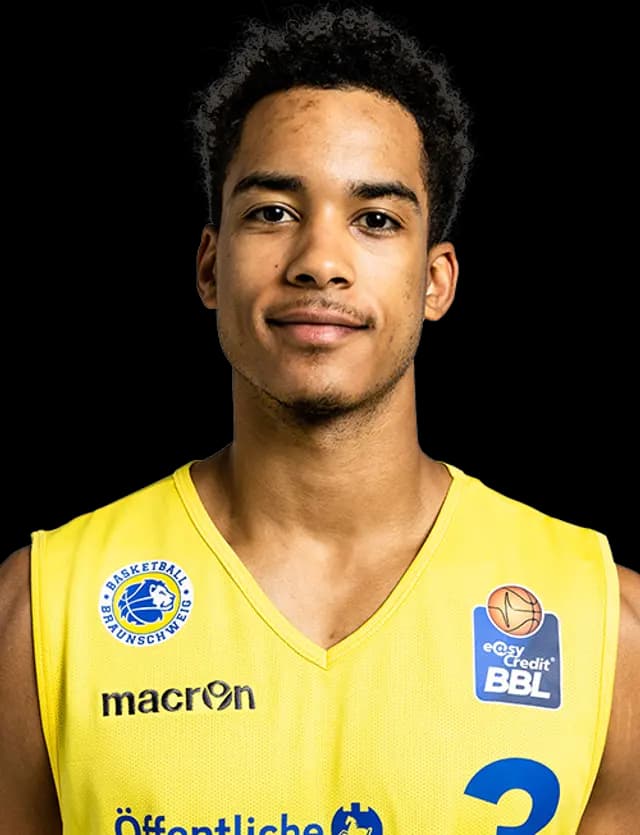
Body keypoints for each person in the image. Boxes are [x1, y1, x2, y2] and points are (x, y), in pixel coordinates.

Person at [1, 5, 638, 834]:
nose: (319, 262)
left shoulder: (605, 626)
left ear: (436, 281)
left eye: (376, 219)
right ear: (209, 266)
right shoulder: (39, 612)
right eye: (272, 211)